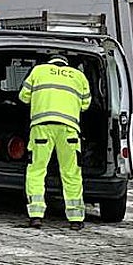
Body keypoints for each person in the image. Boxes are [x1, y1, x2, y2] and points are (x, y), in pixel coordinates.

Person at [19, 53, 92, 230]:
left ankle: (36, 216)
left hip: (42, 128)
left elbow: (23, 97)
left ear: (50, 61)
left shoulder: (38, 71)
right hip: (69, 130)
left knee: (37, 170)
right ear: (66, 63)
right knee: (71, 173)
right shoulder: (79, 76)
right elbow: (86, 105)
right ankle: (76, 218)